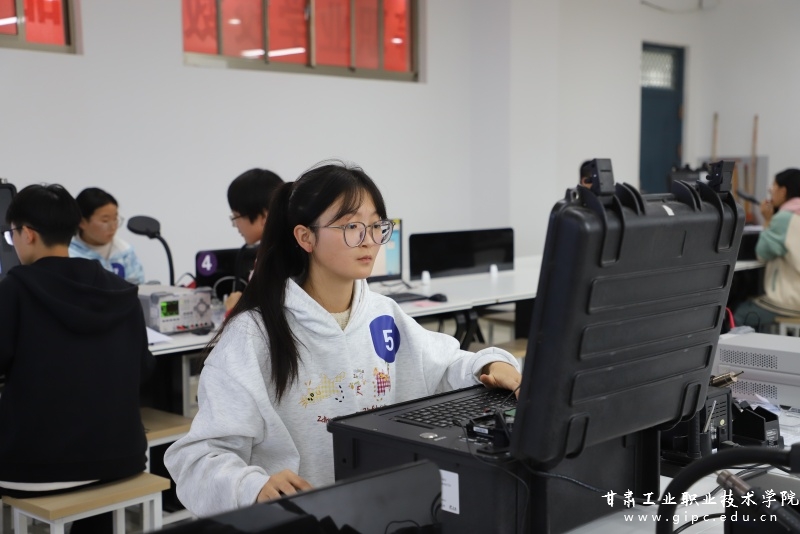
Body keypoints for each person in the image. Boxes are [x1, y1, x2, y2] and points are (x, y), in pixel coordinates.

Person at [164, 161, 522, 517]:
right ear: (305, 237)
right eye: (351, 226)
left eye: (376, 226)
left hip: (384, 513)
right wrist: (252, 487)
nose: (368, 240)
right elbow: (196, 460)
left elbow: (444, 366)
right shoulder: (254, 335)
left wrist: (491, 363)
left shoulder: (382, 314)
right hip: (298, 521)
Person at [0, 184, 153, 531]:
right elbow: (144, 367)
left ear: (27, 234)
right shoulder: (120, 291)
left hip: (34, 470)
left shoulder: (14, 289)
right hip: (122, 457)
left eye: (11, 235)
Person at [734, 168, 800, 331]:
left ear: (783, 191)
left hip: (790, 300)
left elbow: (762, 252)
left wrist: (768, 221)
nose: (770, 190)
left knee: (740, 314)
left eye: (774, 186)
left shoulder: (785, 218)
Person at [224, 168, 285, 311]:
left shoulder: (272, 264)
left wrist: (233, 310)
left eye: (236, 216)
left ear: (264, 216)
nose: (235, 225)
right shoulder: (289, 251)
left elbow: (263, 318)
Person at [69, 187, 145, 285]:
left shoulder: (124, 252)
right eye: (105, 221)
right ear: (82, 222)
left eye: (115, 219)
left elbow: (138, 286)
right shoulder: (69, 254)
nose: (113, 227)